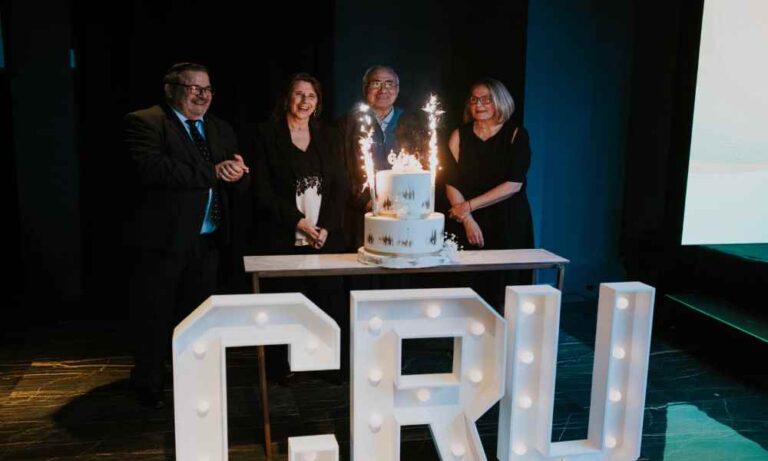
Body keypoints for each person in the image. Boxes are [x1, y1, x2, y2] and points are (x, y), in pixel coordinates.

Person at [123, 62, 250, 407]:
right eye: (194, 88)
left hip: (208, 240)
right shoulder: (145, 121)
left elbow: (234, 174)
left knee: (197, 317)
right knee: (156, 315)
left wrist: (238, 173)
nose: (202, 95)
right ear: (170, 89)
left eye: (207, 89)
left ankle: (192, 379)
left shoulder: (219, 127)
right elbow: (154, 169)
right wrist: (213, 171)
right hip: (163, 242)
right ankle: (148, 382)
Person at [248, 73, 347, 381]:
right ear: (287, 99)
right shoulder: (265, 134)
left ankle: (325, 363)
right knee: (284, 301)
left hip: (323, 236)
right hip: (281, 232)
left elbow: (340, 185)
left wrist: (325, 227)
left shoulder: (329, 135)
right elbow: (262, 190)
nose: (305, 101)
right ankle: (282, 367)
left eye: (311, 96)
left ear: (318, 102)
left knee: (326, 301)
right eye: (299, 94)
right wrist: (298, 222)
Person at [444, 78, 534, 309]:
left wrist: (467, 207)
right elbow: (450, 181)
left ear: (500, 101)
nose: (479, 105)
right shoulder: (459, 135)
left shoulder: (516, 134)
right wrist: (467, 219)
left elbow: (514, 184)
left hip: (507, 219)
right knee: (467, 289)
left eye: (486, 100)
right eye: (474, 99)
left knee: (505, 291)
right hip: (467, 221)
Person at [337, 65, 428, 250]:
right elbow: (340, 168)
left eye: (389, 84)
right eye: (376, 83)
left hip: (403, 214)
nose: (383, 90)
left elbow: (423, 165)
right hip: (359, 213)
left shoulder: (411, 123)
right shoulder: (348, 124)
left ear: (397, 89)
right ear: (365, 88)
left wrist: (401, 201)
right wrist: (365, 199)